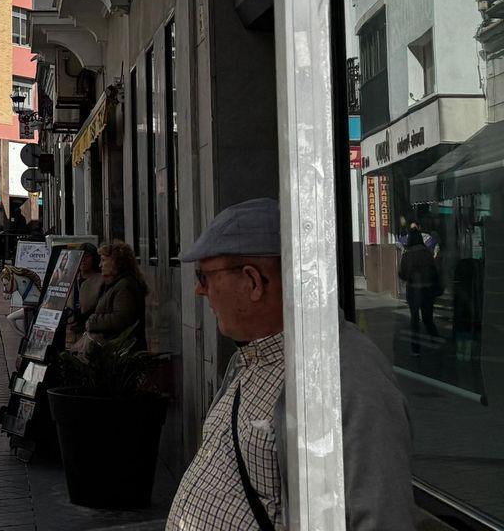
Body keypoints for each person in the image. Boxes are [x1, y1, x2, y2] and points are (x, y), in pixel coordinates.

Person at [166, 198, 416, 531]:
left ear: (253, 281)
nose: (200, 289)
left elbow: (382, 516)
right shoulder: (249, 360)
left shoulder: (346, 372)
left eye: (205, 276)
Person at [82, 241, 147, 350]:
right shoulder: (114, 284)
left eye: (103, 260)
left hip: (122, 350)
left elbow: (121, 319)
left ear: (116, 262)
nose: (100, 265)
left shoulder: (124, 286)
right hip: (115, 348)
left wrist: (94, 321)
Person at [397, 225, 440, 351]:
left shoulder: (407, 255)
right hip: (428, 290)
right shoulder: (427, 253)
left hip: (413, 289)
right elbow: (434, 271)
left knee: (415, 320)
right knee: (428, 319)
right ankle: (435, 341)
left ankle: (415, 349)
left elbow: (403, 274)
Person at [65, 243, 105, 349]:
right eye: (80, 256)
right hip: (69, 335)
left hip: (90, 336)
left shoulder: (101, 280)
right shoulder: (70, 279)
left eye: (87, 256)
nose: (83, 260)